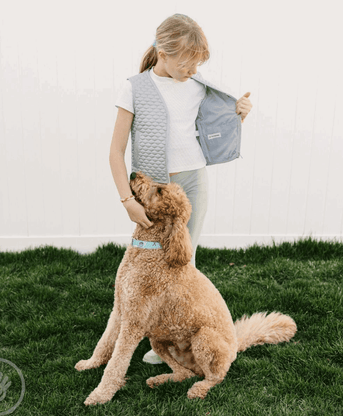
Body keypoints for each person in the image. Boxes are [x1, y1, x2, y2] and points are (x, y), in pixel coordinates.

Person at [109, 13, 253, 365]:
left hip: (193, 184)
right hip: (154, 191)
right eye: (187, 63)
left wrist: (239, 114)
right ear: (163, 51)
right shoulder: (135, 87)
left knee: (182, 262)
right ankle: (143, 327)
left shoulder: (198, 85)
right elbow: (115, 151)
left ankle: (170, 337)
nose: (192, 70)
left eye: (197, 64)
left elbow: (213, 124)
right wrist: (127, 200)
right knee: (149, 265)